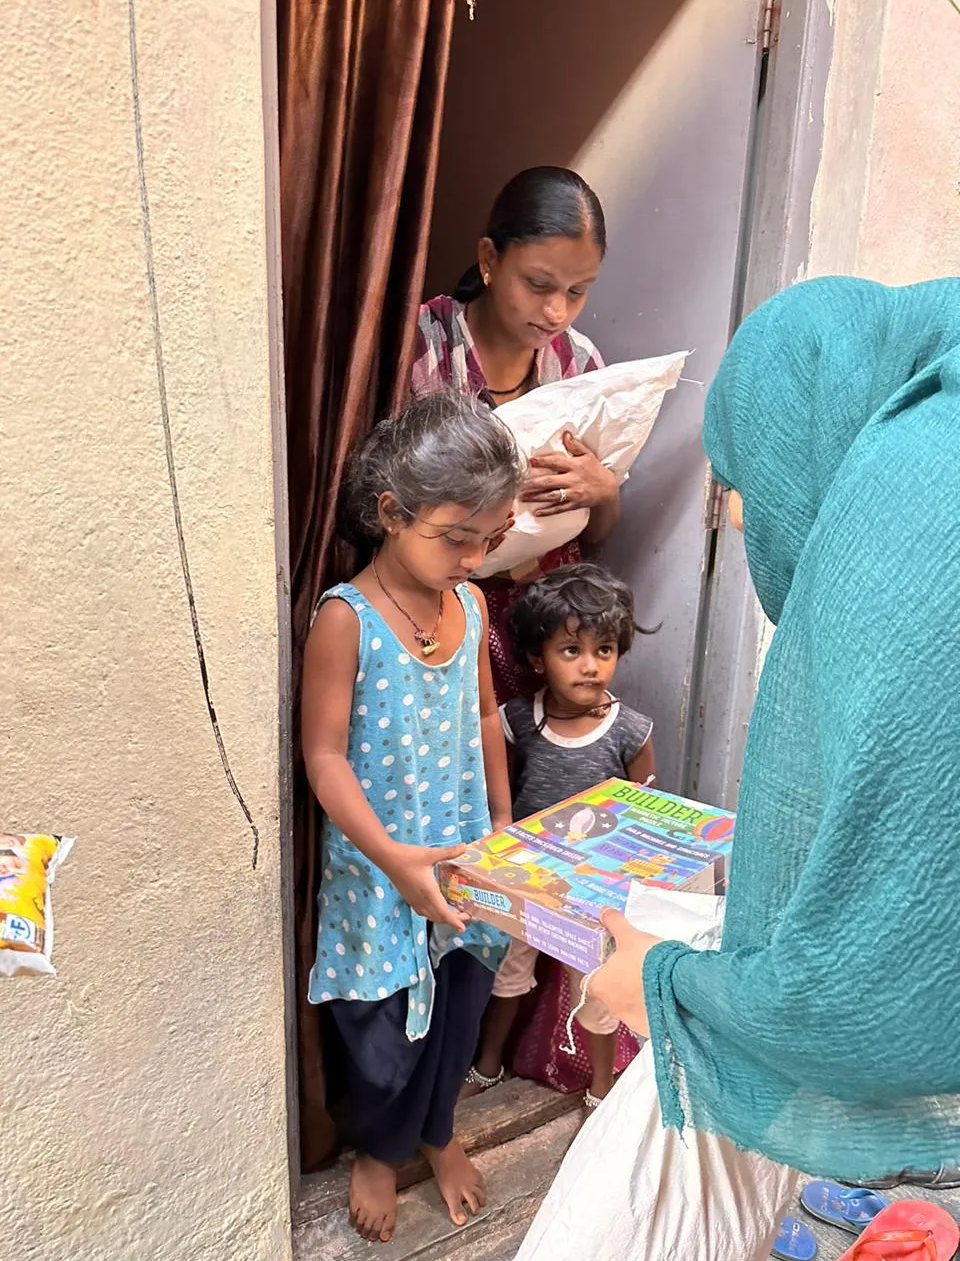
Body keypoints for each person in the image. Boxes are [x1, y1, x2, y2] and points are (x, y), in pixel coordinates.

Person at [514, 276, 960, 1260]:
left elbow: (868, 998)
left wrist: (664, 983)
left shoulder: (925, 504)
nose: (750, 520)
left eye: (746, 486)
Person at [302, 393, 524, 1244]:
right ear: (392, 514)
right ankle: (379, 1145)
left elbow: (479, 719)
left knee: (461, 998)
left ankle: (436, 1132)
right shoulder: (344, 620)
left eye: (490, 540)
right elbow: (322, 757)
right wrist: (395, 859)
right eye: (455, 537)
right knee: (382, 1026)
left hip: (466, 851)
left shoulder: (468, 610)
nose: (473, 558)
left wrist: (503, 821)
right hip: (378, 865)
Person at [412, 165, 621, 704]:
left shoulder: (580, 363)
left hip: (550, 633)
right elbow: (385, 509)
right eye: (538, 285)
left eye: (578, 292)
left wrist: (603, 491)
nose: (556, 312)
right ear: (488, 260)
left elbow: (595, 533)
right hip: (442, 614)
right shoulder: (426, 349)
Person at [461, 563, 655, 1113]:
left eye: (606, 649)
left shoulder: (629, 730)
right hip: (525, 876)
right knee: (508, 971)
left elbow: (646, 807)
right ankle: (489, 1063)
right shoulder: (519, 720)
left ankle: (600, 1087)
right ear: (534, 659)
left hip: (595, 891)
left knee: (593, 989)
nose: (592, 665)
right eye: (572, 651)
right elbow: (492, 778)